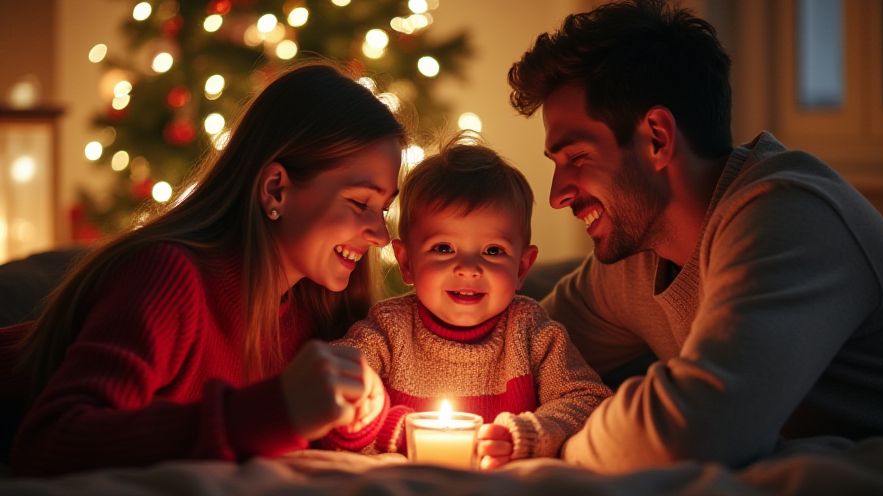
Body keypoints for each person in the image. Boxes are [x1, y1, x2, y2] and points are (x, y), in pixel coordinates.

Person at [507, 0, 883, 474]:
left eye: (577, 158)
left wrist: (561, 441)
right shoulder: (639, 246)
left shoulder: (788, 213)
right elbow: (515, 352)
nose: (557, 195)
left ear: (657, 138)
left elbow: (694, 431)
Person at [1, 62, 405, 476]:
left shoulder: (315, 311)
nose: (379, 234)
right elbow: (53, 440)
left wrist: (401, 430)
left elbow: (324, 421)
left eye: (383, 209)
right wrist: (273, 410)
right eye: (360, 203)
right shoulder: (168, 276)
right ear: (276, 189)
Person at [321, 135, 611, 470]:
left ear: (522, 268)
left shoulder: (530, 330)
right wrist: (404, 433)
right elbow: (335, 395)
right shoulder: (387, 329)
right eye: (444, 248)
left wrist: (531, 433)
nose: (470, 268)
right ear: (407, 262)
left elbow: (589, 401)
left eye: (493, 251)